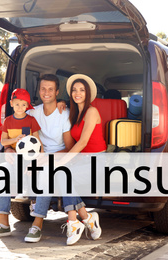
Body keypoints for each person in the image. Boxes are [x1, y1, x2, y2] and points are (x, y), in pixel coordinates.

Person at [0, 88, 42, 240]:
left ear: (27, 106)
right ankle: (3, 224)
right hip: (14, 157)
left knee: (30, 172)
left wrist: (36, 160)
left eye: (23, 105)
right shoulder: (7, 121)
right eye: (17, 104)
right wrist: (15, 141)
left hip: (30, 158)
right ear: (11, 103)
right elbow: (3, 141)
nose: (20, 108)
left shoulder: (31, 121)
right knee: (0, 173)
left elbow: (38, 143)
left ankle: (33, 202)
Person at [56, 73, 106, 245]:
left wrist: (63, 161)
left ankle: (76, 220)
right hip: (82, 160)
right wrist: (60, 103)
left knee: (62, 174)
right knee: (62, 175)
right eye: (74, 90)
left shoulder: (92, 111)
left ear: (88, 93)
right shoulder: (74, 112)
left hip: (96, 161)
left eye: (82, 90)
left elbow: (83, 141)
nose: (78, 93)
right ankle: (83, 217)